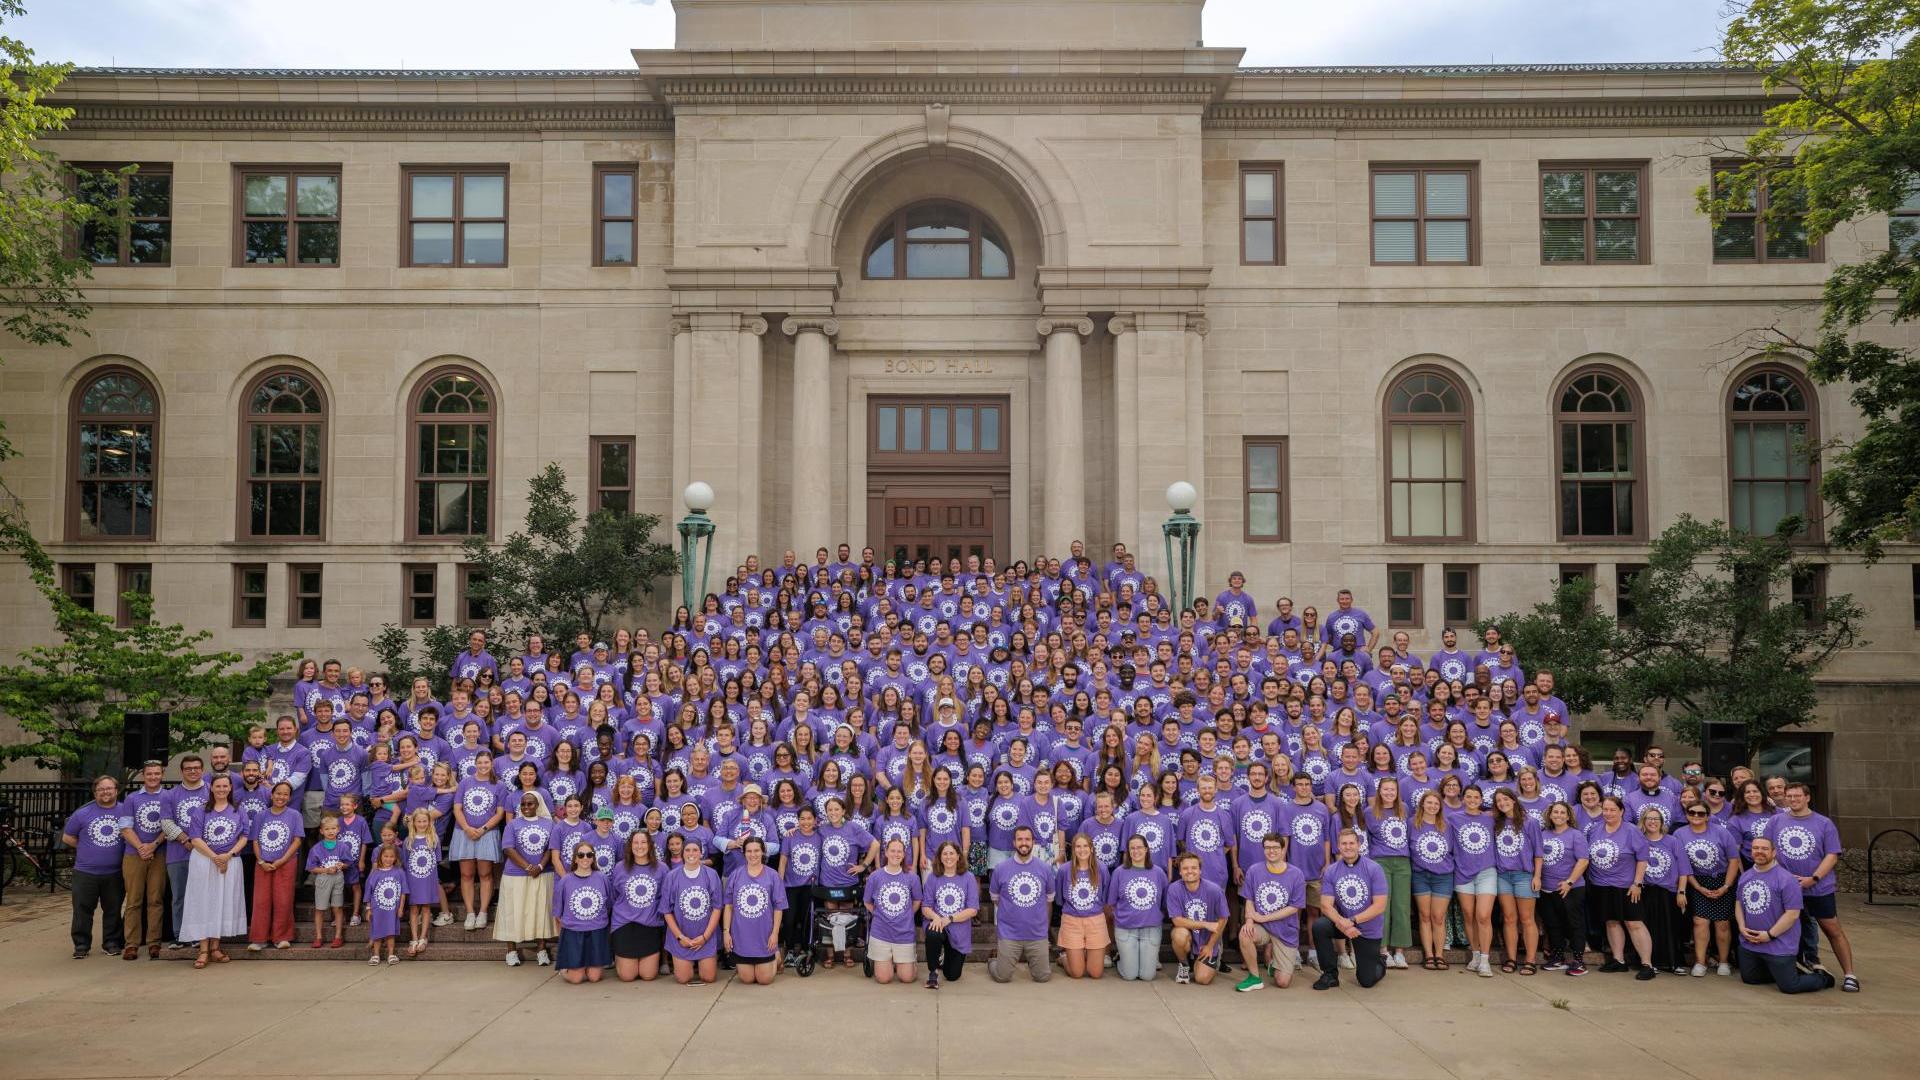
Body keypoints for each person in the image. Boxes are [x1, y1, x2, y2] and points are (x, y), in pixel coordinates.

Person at [1769, 781, 1857, 991]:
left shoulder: (1824, 823)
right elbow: (1768, 850)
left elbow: (1832, 855)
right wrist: (1784, 878)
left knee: (1832, 928)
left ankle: (1849, 974)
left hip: (1819, 888)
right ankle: (1797, 967)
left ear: (1807, 797)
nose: (1793, 800)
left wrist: (1813, 878)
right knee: (1788, 930)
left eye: (1797, 796)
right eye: (1789, 796)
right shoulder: (1775, 821)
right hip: (1787, 888)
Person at [1735, 836, 1834, 994]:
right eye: (1755, 848)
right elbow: (1739, 903)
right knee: (1750, 978)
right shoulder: (1746, 876)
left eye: (1765, 849)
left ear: (1774, 852)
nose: (1759, 852)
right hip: (1750, 943)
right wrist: (1741, 927)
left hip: (1778, 945)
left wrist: (1769, 935)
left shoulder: (1786, 880)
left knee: (1789, 986)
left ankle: (1823, 978)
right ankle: (1785, 972)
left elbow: (1793, 914)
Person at [180, 773, 249, 969]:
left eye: (225, 786)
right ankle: (203, 950)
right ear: (212, 788)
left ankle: (216, 947)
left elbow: (244, 836)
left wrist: (228, 855)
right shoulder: (201, 810)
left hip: (230, 862)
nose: (221, 789)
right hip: (204, 861)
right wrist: (216, 857)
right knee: (204, 903)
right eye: (218, 786)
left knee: (222, 902)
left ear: (230, 788)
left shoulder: (238, 809)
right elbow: (195, 838)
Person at [1312, 829, 1389, 990]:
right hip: (1343, 924)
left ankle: (1380, 961)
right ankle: (1330, 975)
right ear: (1338, 846)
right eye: (1344, 843)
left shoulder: (1374, 868)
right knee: (1320, 926)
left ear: (1359, 845)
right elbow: (1326, 905)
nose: (1348, 847)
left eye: (1351, 843)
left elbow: (1380, 906)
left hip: (1366, 927)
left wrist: (1353, 921)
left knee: (1366, 981)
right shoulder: (1332, 870)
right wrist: (1343, 923)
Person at [60, 776, 126, 960]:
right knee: (82, 910)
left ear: (116, 790)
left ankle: (111, 942)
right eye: (101, 789)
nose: (105, 792)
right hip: (85, 872)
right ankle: (81, 945)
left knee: (113, 909)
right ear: (95, 792)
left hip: (115, 872)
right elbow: (67, 837)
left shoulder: (125, 811)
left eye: (109, 788)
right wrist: (86, 847)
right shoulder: (82, 813)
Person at [1677, 799, 1740, 977]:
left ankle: (1724, 961)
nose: (1696, 816)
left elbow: (1733, 860)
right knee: (1700, 921)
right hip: (1696, 881)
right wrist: (1697, 887)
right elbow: (1682, 864)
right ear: (1686, 815)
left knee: (1723, 923)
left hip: (1722, 879)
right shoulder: (1680, 834)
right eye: (1692, 813)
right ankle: (1700, 961)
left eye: (1701, 813)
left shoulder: (1721, 832)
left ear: (1707, 816)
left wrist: (1726, 886)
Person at [1235, 833, 1304, 991]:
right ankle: (1254, 978)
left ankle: (1276, 965)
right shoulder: (1254, 870)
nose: (1271, 851)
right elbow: (1249, 899)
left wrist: (1264, 917)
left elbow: (1295, 907)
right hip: (1262, 928)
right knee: (1245, 934)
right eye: (1267, 848)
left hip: (1286, 930)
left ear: (1282, 849)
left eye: (1275, 848)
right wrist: (1250, 921)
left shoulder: (1296, 874)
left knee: (1282, 982)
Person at [987, 825, 1055, 983]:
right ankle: (992, 961)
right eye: (1020, 839)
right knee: (1002, 977)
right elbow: (995, 898)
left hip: (1036, 934)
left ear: (1033, 842)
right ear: (1014, 842)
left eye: (1027, 839)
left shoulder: (1044, 869)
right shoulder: (1001, 869)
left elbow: (1049, 901)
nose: (1023, 843)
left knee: (1043, 977)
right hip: (1010, 934)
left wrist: (1044, 929)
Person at [497, 790, 555, 967]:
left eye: (530, 804)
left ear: (538, 805)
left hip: (542, 874)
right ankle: (511, 951)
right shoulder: (513, 824)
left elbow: (551, 848)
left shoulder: (549, 824)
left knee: (540, 912)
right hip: (515, 875)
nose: (526, 807)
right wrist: (528, 867)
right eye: (523, 804)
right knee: (513, 912)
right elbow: (508, 848)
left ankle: (542, 950)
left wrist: (539, 866)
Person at [118, 760, 169, 960]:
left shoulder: (168, 796)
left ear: (162, 774)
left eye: (157, 773)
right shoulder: (132, 799)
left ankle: (154, 942)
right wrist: (140, 846)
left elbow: (169, 825)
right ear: (143, 776)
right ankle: (131, 943)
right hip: (134, 854)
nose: (153, 777)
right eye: (149, 774)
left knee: (155, 900)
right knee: (133, 900)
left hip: (159, 852)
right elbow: (125, 827)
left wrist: (153, 845)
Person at [246, 781, 304, 951]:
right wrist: (261, 861)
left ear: (290, 797)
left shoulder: (294, 815)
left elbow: (297, 840)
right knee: (261, 901)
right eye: (278, 793)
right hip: (263, 863)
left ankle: (282, 937)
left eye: (285, 794)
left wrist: (282, 860)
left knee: (283, 900)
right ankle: (259, 938)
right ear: (272, 795)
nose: (281, 797)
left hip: (286, 863)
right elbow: (255, 840)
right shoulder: (261, 815)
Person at [725, 836, 788, 985]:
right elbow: (728, 906)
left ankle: (777, 956)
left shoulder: (773, 876)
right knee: (747, 979)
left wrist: (775, 933)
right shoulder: (735, 875)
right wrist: (726, 931)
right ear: (744, 853)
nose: (753, 854)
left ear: (763, 852)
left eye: (756, 851)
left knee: (764, 980)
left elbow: (779, 908)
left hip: (764, 936)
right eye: (749, 851)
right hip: (742, 936)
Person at [661, 834, 723, 985]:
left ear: (701, 853)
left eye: (695, 850)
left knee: (708, 978)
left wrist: (705, 937)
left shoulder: (711, 874)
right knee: (683, 979)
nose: (691, 853)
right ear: (682, 853)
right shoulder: (672, 876)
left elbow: (716, 908)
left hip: (705, 936)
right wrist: (680, 937)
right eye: (687, 850)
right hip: (682, 936)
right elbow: (666, 911)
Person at [1108, 834, 1169, 981]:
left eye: (1139, 847)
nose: (1136, 851)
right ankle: (1122, 959)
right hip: (1126, 928)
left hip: (1151, 928)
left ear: (1147, 849)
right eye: (1132, 848)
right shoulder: (1119, 872)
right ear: (1128, 851)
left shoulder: (1158, 872)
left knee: (1147, 976)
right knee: (1130, 975)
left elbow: (1164, 902)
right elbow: (1111, 902)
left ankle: (1146, 958)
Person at [862, 837, 920, 984]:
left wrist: (905, 916)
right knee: (883, 978)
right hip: (881, 932)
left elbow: (917, 901)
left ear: (904, 854)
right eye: (892, 851)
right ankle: (888, 962)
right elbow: (867, 902)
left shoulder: (912, 877)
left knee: (906, 978)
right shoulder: (875, 876)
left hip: (904, 933)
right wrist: (879, 914)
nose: (896, 854)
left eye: (899, 851)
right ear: (886, 853)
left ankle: (908, 963)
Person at [922, 840, 979, 989]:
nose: (948, 857)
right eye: (945, 854)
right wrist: (936, 918)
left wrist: (950, 918)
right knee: (933, 933)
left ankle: (944, 958)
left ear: (959, 856)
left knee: (952, 975)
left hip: (958, 928)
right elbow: (925, 907)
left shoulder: (968, 878)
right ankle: (933, 973)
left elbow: (973, 909)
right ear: (940, 857)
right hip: (938, 924)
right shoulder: (933, 878)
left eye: (952, 853)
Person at [553, 842, 612, 984]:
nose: (585, 858)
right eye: (581, 855)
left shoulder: (602, 878)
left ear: (593, 858)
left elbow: (609, 904)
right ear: (575, 858)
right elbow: (557, 913)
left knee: (594, 977)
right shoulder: (566, 880)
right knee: (576, 979)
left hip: (597, 931)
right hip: (573, 932)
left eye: (589, 855)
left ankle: (587, 964)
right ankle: (566, 968)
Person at [1166, 852, 1229, 985]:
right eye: (1185, 868)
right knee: (1179, 934)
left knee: (1202, 979)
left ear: (1200, 870)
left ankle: (1206, 960)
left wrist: (1210, 946)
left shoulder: (1214, 890)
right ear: (1180, 872)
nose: (1190, 871)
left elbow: (1223, 919)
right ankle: (1184, 964)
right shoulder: (1174, 889)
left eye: (1194, 868)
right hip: (1188, 936)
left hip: (1207, 939)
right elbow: (1177, 920)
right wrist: (1205, 924)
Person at [611, 829, 666, 982]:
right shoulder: (620, 867)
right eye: (636, 842)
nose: (639, 846)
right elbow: (614, 895)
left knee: (648, 975)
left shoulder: (661, 868)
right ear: (630, 845)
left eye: (643, 842)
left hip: (650, 924)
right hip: (624, 924)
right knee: (627, 976)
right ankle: (619, 958)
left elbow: (665, 897)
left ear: (650, 845)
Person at [1055, 832, 1109, 979]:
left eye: (1085, 846)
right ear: (1073, 850)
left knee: (1096, 973)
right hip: (1072, 920)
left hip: (1095, 920)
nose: (1082, 849)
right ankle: (1064, 958)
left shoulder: (1101, 869)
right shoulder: (1064, 870)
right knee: (1077, 973)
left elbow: (1104, 895)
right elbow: (1059, 899)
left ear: (1091, 848)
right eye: (1078, 846)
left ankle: (1083, 953)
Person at [305, 812, 349, 949]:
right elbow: (311, 868)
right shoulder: (316, 848)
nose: (331, 831)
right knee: (320, 908)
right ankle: (318, 936)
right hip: (323, 878)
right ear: (322, 831)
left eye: (333, 828)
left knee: (337, 907)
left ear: (338, 829)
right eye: (327, 829)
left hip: (338, 877)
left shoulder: (342, 846)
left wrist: (342, 865)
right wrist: (325, 870)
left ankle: (338, 936)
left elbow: (348, 863)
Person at [365, 843, 406, 966]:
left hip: (392, 909)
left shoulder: (399, 872)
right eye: (385, 856)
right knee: (377, 931)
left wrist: (401, 908)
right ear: (380, 857)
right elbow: (369, 893)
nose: (388, 859)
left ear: (395, 858)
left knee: (390, 931)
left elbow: (403, 891)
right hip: (377, 908)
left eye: (391, 856)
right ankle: (376, 955)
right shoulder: (375, 873)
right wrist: (368, 908)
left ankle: (391, 954)